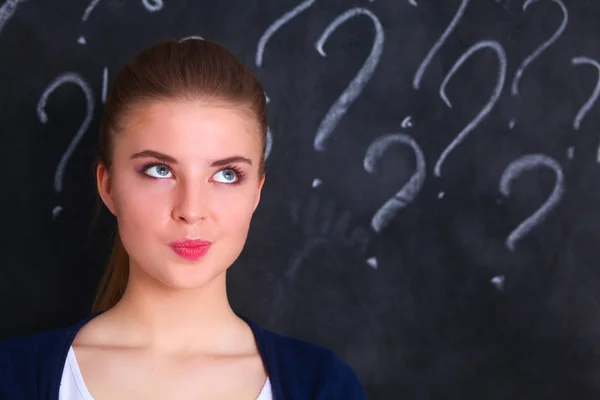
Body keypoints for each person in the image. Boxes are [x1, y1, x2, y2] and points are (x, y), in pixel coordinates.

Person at [0, 39, 366, 399]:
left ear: (256, 191)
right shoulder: (13, 377)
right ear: (108, 186)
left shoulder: (322, 385)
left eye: (226, 175)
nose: (191, 210)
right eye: (160, 170)